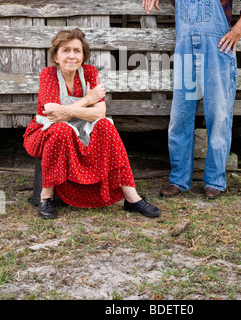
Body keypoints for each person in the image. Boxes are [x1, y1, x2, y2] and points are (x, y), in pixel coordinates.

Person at [142, 0, 241, 199]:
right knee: (180, 118)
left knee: (218, 117)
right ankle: (179, 180)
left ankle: (214, 182)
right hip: (186, 56)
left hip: (217, 52)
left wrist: (237, 29)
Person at [23, 28, 160, 219]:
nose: (72, 56)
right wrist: (88, 99)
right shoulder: (49, 74)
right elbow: (53, 114)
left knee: (106, 126)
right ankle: (46, 197)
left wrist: (69, 110)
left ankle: (132, 198)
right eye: (66, 50)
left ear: (83, 55)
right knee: (61, 129)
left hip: (82, 128)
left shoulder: (89, 72)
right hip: (46, 132)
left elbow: (100, 112)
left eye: (77, 51)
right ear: (55, 56)